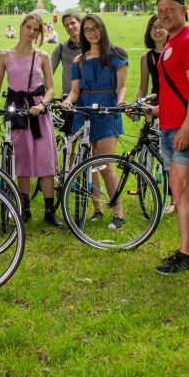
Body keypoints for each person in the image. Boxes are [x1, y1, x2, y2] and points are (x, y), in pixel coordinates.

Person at [0, 13, 62, 226]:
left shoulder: (42, 56)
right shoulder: (5, 56)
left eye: (36, 29)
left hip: (38, 111)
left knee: (45, 160)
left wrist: (42, 104)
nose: (32, 32)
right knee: (22, 159)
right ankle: (24, 208)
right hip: (16, 110)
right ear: (21, 27)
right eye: (29, 27)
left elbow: (51, 88)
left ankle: (49, 210)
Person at [152, 0, 189, 274]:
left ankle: (186, 254)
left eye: (171, 9)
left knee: (180, 187)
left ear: (184, 10)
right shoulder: (172, 42)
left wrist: (186, 127)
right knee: (183, 191)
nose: (165, 14)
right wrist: (157, 110)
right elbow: (176, 89)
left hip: (184, 128)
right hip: (168, 125)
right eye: (161, 10)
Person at [60, 14, 128, 230]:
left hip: (107, 110)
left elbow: (122, 86)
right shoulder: (79, 61)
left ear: (102, 28)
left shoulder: (115, 54)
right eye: (88, 29)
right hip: (84, 111)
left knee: (106, 164)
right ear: (83, 34)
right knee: (90, 165)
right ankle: (97, 209)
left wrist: (120, 102)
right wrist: (68, 102)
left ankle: (118, 212)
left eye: (96, 28)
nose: (92, 33)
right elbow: (74, 90)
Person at [135, 14, 175, 215]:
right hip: (155, 103)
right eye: (153, 28)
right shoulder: (147, 57)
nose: (157, 30)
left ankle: (174, 197)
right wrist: (137, 104)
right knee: (153, 149)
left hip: (173, 105)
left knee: (171, 154)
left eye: (160, 27)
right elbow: (143, 87)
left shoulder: (174, 51)